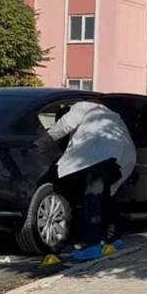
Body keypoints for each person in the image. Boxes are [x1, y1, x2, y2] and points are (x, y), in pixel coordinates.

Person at [47, 99, 136, 260]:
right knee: (106, 196)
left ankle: (93, 245)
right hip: (122, 156)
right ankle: (113, 238)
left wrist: (44, 140)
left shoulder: (82, 107)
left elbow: (65, 124)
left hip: (99, 155)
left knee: (92, 198)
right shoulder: (111, 114)